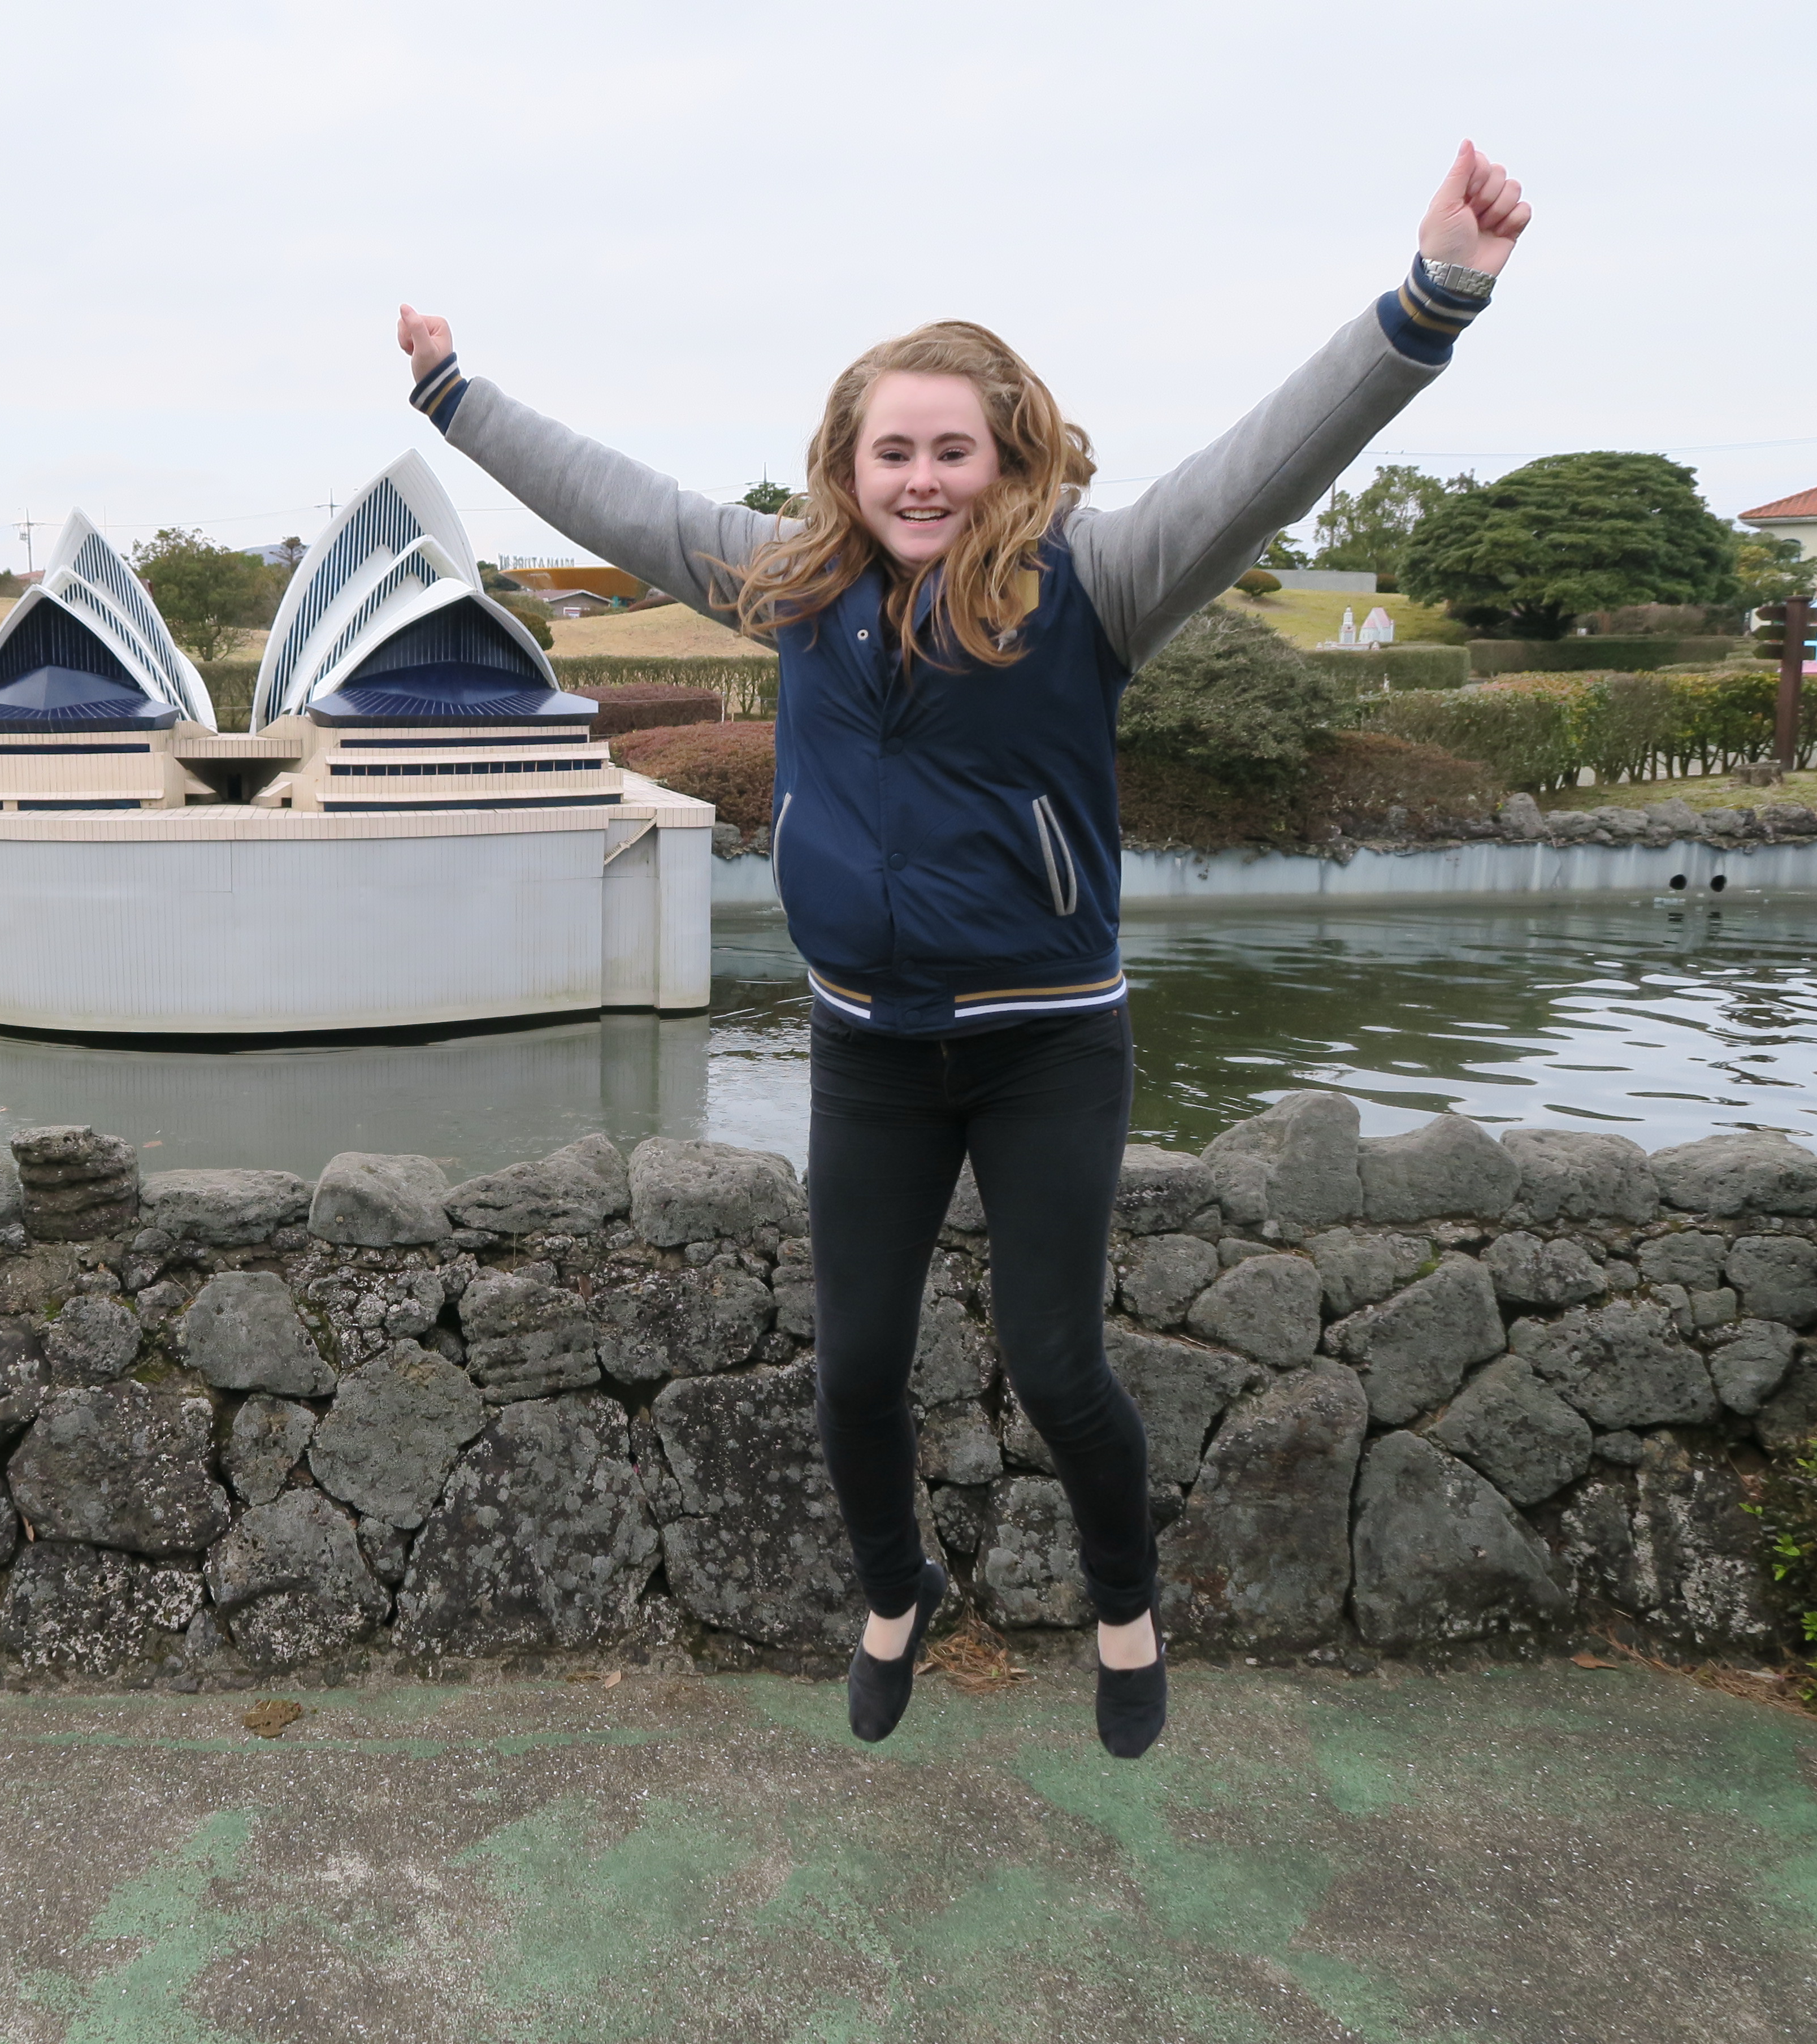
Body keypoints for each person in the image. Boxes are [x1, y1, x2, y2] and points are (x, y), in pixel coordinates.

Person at [395, 144, 1530, 1755]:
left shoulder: (1097, 581)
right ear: (847, 465)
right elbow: (618, 501)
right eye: (894, 452)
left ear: (1007, 459)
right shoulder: (789, 588)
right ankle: (895, 1590)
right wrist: (456, 397)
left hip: (1046, 1043)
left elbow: (1269, 467)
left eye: (953, 451)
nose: (922, 480)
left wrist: (1434, 299)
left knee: (1055, 1366)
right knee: (852, 1371)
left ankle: (1126, 1609)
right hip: (869, 1047)